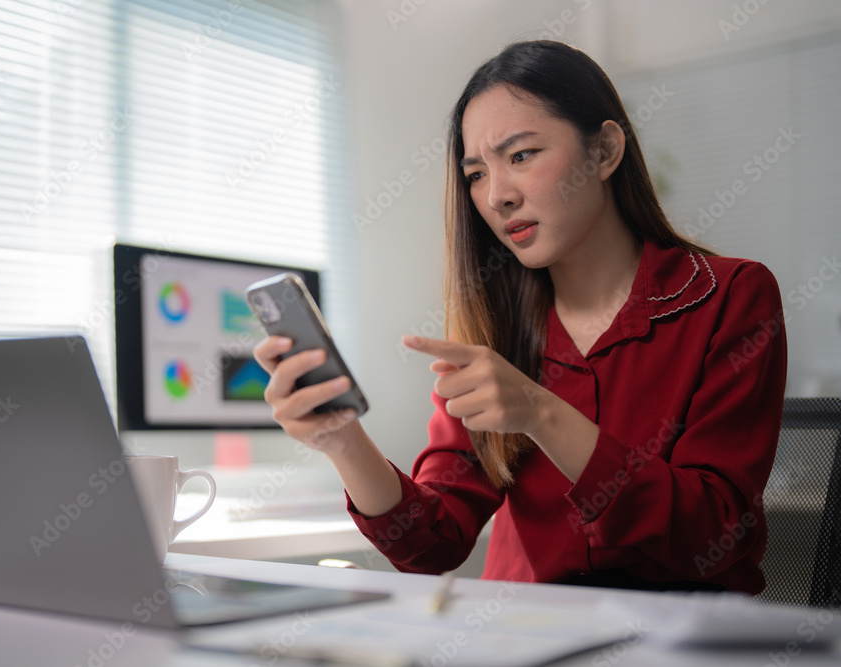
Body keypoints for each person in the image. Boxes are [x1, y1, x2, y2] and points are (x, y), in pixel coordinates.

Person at [253, 40, 787, 593]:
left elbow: (715, 534)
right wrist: (343, 441)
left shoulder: (728, 295)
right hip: (523, 634)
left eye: (522, 155)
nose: (497, 196)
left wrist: (539, 411)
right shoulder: (493, 334)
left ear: (604, 150)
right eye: (476, 174)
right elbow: (431, 545)